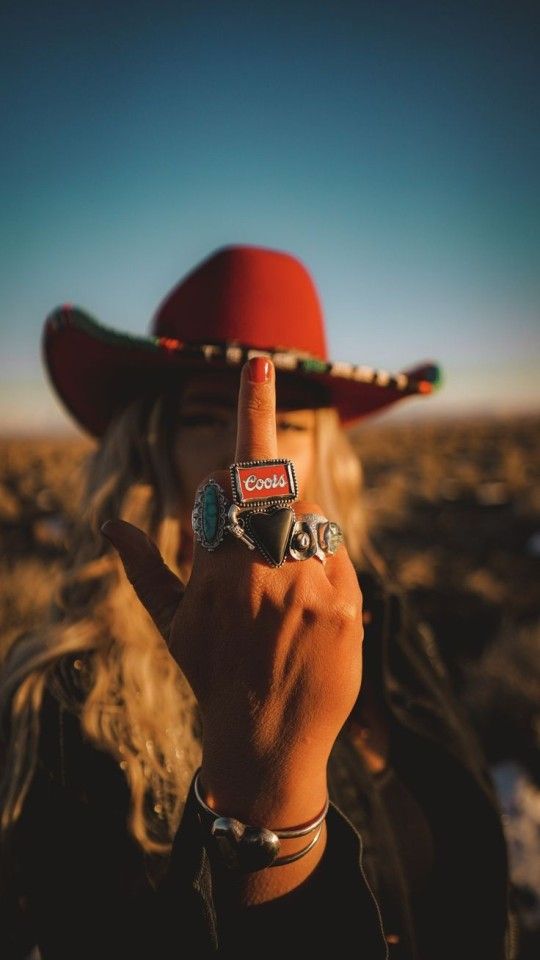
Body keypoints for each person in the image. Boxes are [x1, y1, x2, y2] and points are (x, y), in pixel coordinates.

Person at [0, 245, 514, 958]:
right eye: (209, 417)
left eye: (290, 424)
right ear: (152, 446)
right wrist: (261, 798)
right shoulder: (69, 696)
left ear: (328, 455)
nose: (247, 464)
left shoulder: (382, 619)